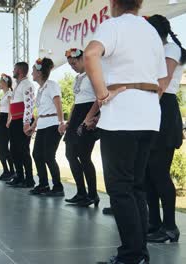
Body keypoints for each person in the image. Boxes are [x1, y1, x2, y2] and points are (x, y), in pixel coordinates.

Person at [84, 0, 167, 263]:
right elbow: (161, 78)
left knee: (120, 189)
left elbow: (90, 54)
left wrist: (102, 94)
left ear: (113, 3)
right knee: (136, 186)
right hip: (150, 115)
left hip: (121, 117)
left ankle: (132, 255)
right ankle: (139, 253)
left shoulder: (113, 25)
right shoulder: (151, 32)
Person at [144, 14, 184, 243]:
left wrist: (146, 108)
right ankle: (154, 223)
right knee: (147, 173)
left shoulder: (170, 49)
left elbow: (163, 83)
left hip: (164, 109)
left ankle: (170, 227)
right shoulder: (157, 51)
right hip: (153, 108)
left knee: (159, 173)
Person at [61, 48, 100, 207]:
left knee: (84, 156)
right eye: (70, 64)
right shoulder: (78, 78)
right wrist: (69, 122)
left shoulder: (93, 73)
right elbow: (75, 102)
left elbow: (99, 98)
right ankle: (81, 192)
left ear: (84, 58)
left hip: (88, 113)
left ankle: (92, 194)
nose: (73, 66)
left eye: (74, 62)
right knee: (69, 154)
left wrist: (88, 119)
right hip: (77, 113)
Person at [28, 58, 65, 197]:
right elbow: (41, 111)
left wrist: (61, 122)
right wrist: (33, 125)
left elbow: (58, 104)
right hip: (43, 124)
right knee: (37, 154)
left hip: (53, 123)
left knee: (49, 156)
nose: (32, 73)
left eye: (33, 71)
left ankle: (58, 187)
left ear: (39, 72)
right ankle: (43, 184)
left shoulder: (52, 85)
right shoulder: (40, 89)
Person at [6, 62, 36, 188]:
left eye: (14, 69)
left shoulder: (27, 84)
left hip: (23, 121)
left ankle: (29, 179)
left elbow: (29, 105)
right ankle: (19, 176)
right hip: (15, 121)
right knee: (14, 150)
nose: (13, 71)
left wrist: (26, 123)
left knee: (23, 150)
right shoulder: (18, 85)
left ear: (19, 70)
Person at [0, 74, 16, 181]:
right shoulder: (4, 95)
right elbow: (1, 110)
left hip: (6, 120)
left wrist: (9, 120)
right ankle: (8, 171)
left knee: (1, 147)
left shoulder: (10, 93)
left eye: (0, 82)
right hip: (1, 120)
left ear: (5, 83)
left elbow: (12, 107)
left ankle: (11, 171)